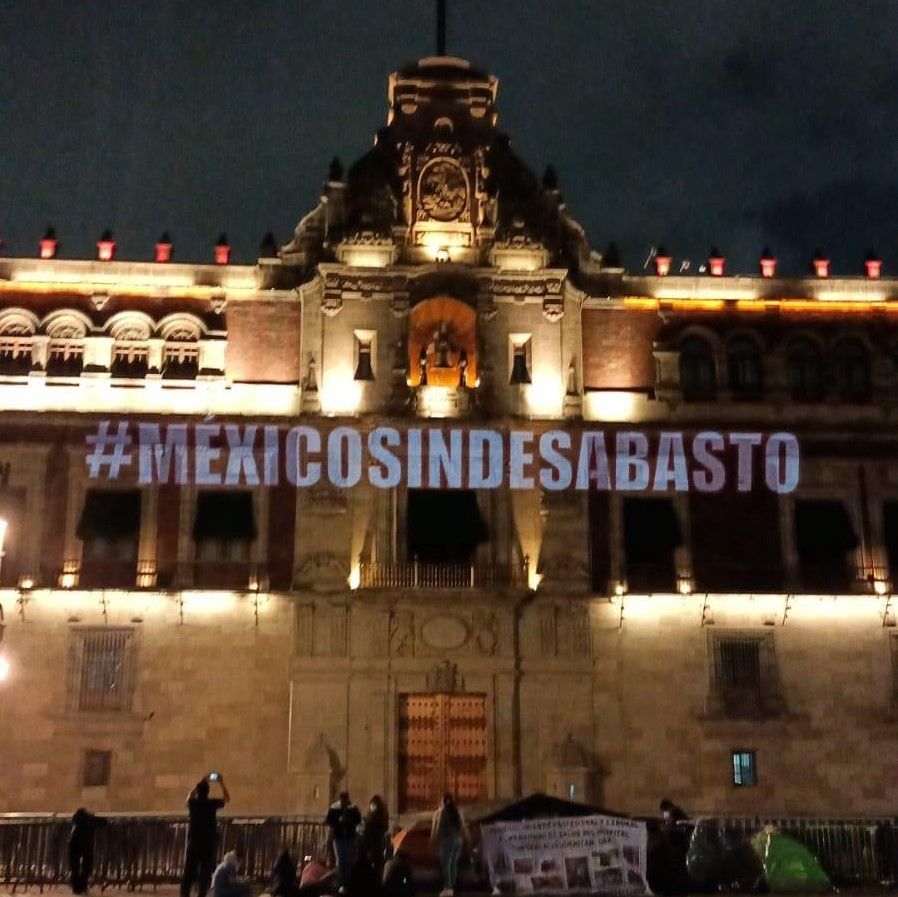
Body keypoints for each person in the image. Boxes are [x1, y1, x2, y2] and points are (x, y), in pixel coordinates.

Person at [181, 774, 230, 897]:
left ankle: (184, 895)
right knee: (205, 873)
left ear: (198, 791)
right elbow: (226, 798)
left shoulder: (193, 804)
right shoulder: (212, 804)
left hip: (194, 843)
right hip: (208, 843)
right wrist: (221, 783)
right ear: (208, 792)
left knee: (189, 873)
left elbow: (188, 797)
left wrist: (200, 781)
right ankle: (201, 895)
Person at [430, 793, 468, 897]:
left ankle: (447, 888)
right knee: (453, 864)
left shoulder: (440, 812)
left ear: (443, 802)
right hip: (458, 841)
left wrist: (433, 840)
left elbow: (437, 828)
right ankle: (452, 888)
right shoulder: (457, 811)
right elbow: (463, 826)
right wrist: (467, 839)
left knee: (446, 865)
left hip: (447, 841)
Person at [324, 791, 362, 895]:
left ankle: (348, 885)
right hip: (339, 838)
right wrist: (338, 821)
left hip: (350, 838)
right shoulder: (334, 808)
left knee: (349, 862)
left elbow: (358, 819)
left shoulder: (353, 808)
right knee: (340, 862)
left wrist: (349, 821)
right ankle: (341, 884)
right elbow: (328, 821)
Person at [69, 807, 107, 894]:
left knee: (75, 867)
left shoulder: (75, 820)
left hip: (73, 844)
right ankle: (82, 887)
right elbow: (103, 822)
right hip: (86, 845)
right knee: (86, 866)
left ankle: (76, 888)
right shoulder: (89, 820)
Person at [360, 795, 390, 886]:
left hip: (372, 849)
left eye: (373, 804)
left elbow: (368, 835)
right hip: (378, 849)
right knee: (377, 871)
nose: (371, 806)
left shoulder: (373, 818)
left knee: (372, 872)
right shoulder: (381, 817)